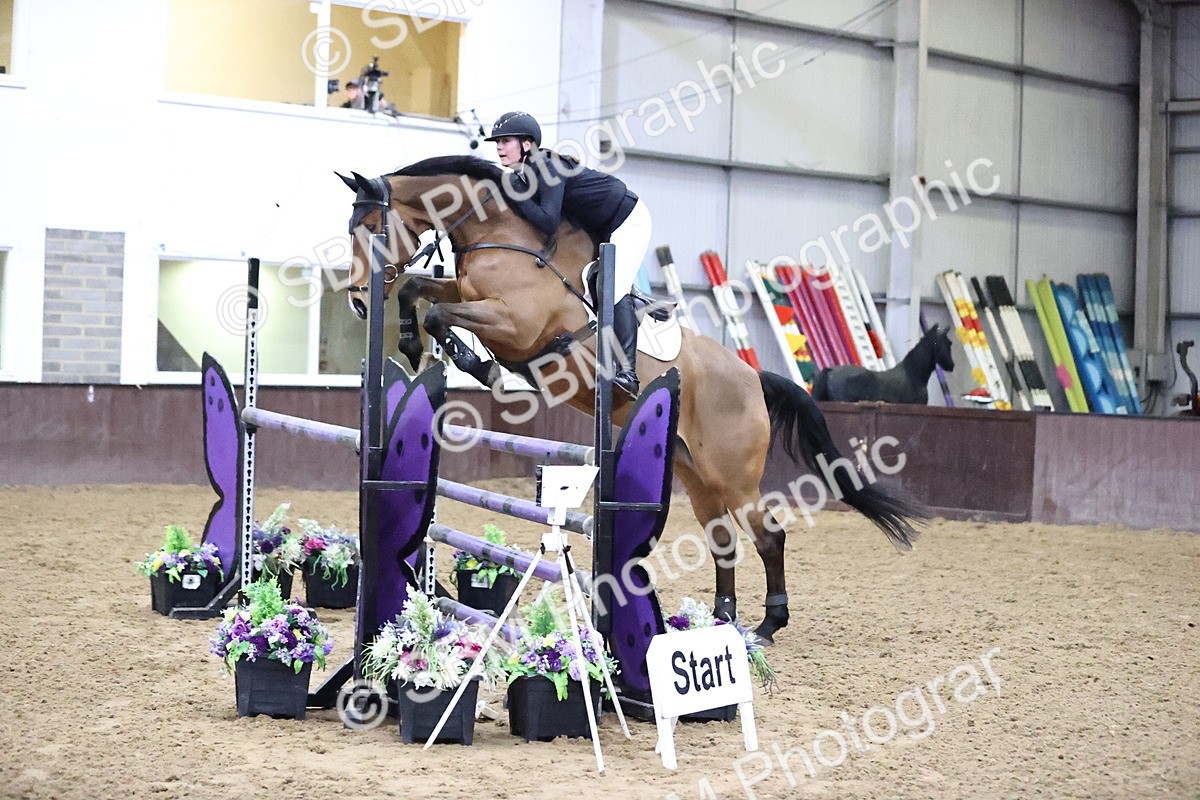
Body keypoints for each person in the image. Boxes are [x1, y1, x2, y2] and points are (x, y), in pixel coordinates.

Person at [485, 111, 651, 399]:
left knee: (611, 287)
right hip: (601, 227)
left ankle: (627, 373)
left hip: (628, 220)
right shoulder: (527, 173)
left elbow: (548, 221)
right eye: (497, 142)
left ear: (527, 144)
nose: (499, 147)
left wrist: (514, 193)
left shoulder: (545, 166)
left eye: (506, 141)